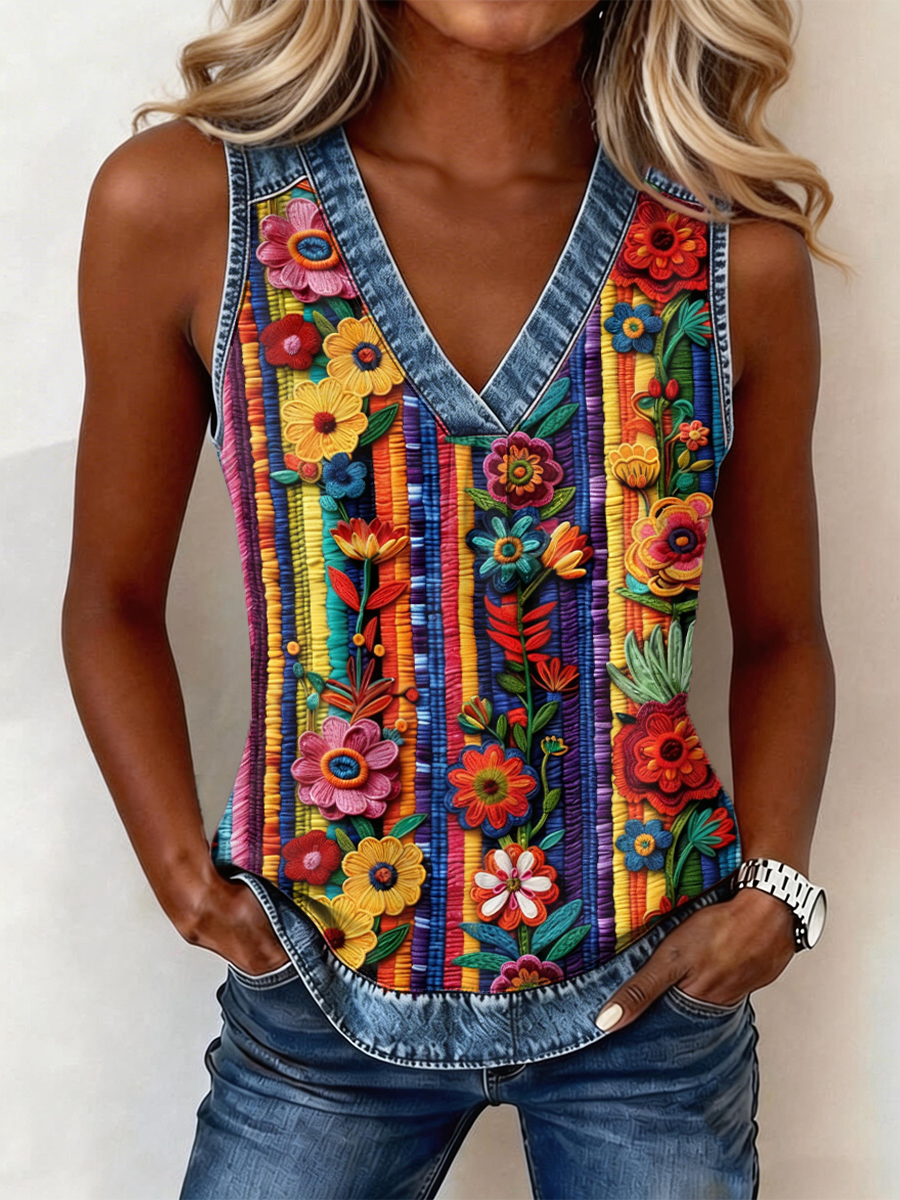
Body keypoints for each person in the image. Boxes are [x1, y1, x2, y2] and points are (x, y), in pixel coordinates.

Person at [62, 1, 836, 1196]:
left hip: (655, 1004)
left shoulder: (732, 258)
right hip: (315, 997)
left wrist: (776, 898)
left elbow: (785, 636)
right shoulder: (192, 209)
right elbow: (110, 599)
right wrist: (188, 885)